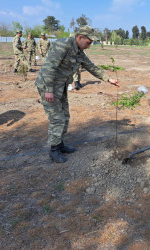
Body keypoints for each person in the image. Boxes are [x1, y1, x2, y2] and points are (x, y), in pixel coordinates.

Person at [35, 25, 119, 163]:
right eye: (88, 42)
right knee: (57, 118)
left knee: (65, 115)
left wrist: (107, 79)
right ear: (80, 37)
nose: (89, 46)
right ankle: (54, 150)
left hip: (60, 87)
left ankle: (60, 144)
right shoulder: (62, 45)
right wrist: (48, 90)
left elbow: (90, 66)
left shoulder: (79, 51)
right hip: (48, 86)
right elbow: (49, 68)